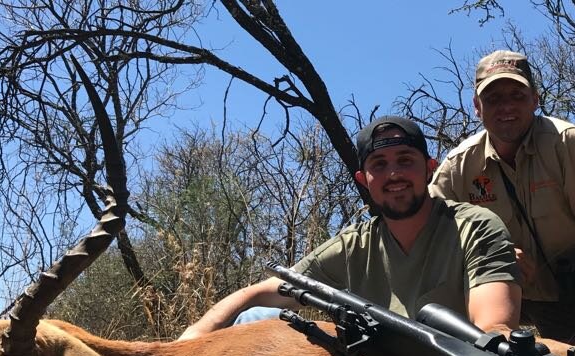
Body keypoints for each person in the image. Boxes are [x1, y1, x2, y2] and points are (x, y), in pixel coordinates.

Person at [179, 115, 521, 340]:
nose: (394, 175)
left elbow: (493, 328)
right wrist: (192, 338)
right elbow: (262, 292)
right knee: (256, 318)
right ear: (364, 180)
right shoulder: (355, 243)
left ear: (430, 168)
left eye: (406, 161)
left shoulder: (475, 225)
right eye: (379, 165)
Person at [430, 50, 575, 356]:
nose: (506, 106)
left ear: (535, 100)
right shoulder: (459, 167)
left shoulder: (566, 144)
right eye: (494, 98)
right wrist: (486, 257)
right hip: (493, 297)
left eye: (517, 95)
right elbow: (425, 240)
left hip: (567, 294)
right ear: (477, 107)